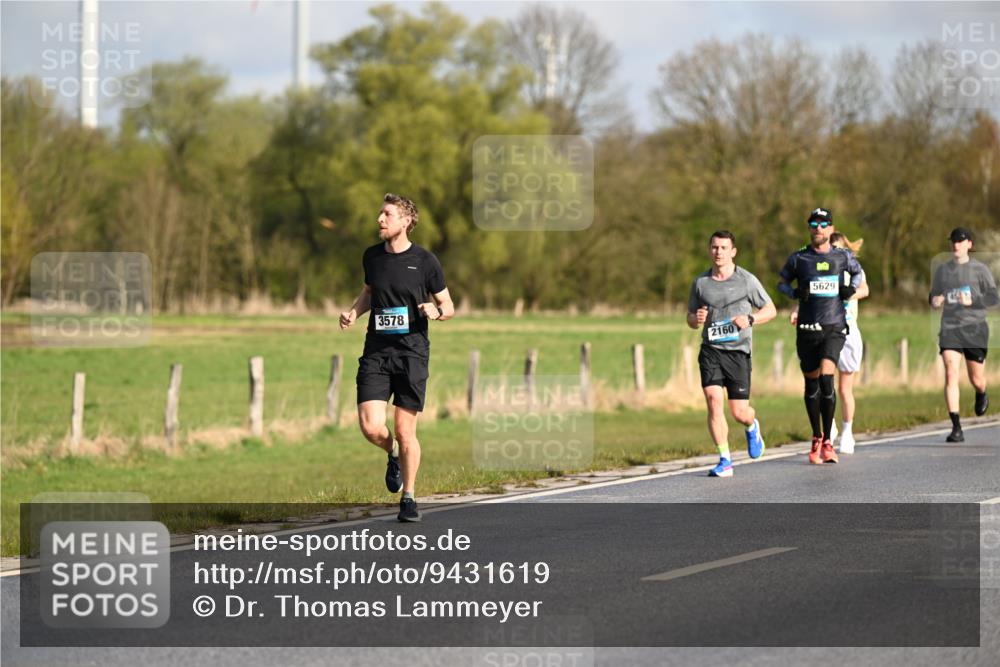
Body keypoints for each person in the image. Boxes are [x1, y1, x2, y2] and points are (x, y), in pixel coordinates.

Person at [340, 193, 454, 521]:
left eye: (387, 214)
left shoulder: (426, 261)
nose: (380, 219)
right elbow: (369, 292)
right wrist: (354, 312)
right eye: (380, 213)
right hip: (377, 352)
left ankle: (409, 498)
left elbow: (449, 306)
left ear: (405, 222)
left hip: (412, 354)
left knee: (406, 431)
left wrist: (437, 310)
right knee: (371, 426)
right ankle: (391, 454)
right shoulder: (372, 257)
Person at [687, 230, 777, 477]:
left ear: (733, 252)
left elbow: (771, 310)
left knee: (739, 412)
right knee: (714, 402)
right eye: (715, 247)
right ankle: (725, 459)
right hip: (711, 350)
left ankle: (751, 426)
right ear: (710, 250)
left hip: (738, 352)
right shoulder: (700, 283)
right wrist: (697, 318)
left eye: (723, 248)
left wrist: (750, 318)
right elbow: (690, 318)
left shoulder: (747, 280)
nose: (718, 252)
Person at [778, 207, 863, 465]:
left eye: (823, 223)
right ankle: (817, 436)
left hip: (834, 327)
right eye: (813, 223)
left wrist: (850, 288)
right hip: (807, 328)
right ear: (809, 227)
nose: (818, 227)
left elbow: (858, 274)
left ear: (830, 227)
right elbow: (781, 282)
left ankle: (828, 442)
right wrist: (794, 293)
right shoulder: (799, 258)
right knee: (812, 385)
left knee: (828, 381)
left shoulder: (842, 256)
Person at [791, 233, 869, 453]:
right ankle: (829, 427)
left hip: (848, 330)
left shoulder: (852, 269)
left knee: (844, 388)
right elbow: (809, 297)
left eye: (838, 248)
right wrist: (798, 311)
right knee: (826, 381)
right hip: (823, 330)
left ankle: (847, 432)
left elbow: (865, 289)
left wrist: (847, 294)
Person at [929, 227, 998, 442]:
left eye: (960, 241)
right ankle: (956, 427)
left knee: (976, 378)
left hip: (975, 328)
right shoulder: (943, 270)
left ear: (970, 244)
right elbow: (933, 295)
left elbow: (994, 298)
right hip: (950, 328)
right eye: (953, 241)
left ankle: (981, 392)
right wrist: (935, 300)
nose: (956, 245)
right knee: (951, 372)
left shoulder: (980, 270)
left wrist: (974, 301)